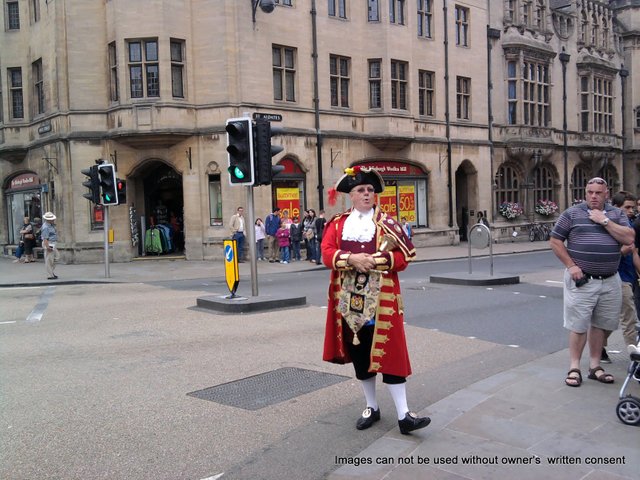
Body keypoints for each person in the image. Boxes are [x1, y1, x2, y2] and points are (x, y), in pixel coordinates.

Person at [321, 166, 430, 435]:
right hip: (349, 303)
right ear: (352, 195)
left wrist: (378, 261)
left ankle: (404, 415)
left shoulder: (388, 224)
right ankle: (372, 407)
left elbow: (406, 258)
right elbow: (326, 253)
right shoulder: (338, 224)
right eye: (361, 190)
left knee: (390, 355)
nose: (367, 194)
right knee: (360, 355)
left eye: (370, 190)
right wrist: (352, 259)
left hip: (382, 302)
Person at [550, 177, 634, 387]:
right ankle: (574, 367)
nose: (594, 196)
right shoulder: (572, 213)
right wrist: (571, 266)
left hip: (609, 280)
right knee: (578, 325)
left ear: (606, 194)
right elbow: (555, 240)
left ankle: (595, 366)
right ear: (585, 193)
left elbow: (629, 238)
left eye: (598, 192)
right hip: (582, 280)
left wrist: (604, 221)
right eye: (590, 192)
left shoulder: (617, 214)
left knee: (601, 325)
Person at [606, 191, 640, 353]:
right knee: (629, 317)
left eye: (632, 208)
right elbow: (604, 255)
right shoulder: (611, 227)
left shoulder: (630, 225)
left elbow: (635, 253)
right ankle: (635, 358)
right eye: (627, 207)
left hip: (630, 275)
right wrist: (622, 251)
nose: (631, 211)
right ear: (616, 207)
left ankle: (598, 346)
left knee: (610, 319)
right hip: (618, 276)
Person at [41, 212, 59, 280]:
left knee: (56, 257)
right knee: (49, 259)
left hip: (52, 243)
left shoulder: (51, 225)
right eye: (52, 219)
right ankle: (50, 274)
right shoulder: (46, 227)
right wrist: (47, 247)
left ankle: (51, 272)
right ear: (48, 220)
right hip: (49, 243)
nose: (53, 220)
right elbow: (45, 238)